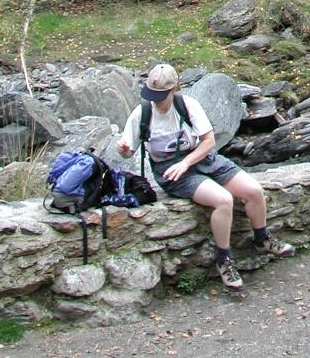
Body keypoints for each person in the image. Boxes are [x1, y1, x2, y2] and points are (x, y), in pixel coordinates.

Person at [117, 63, 294, 291]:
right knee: (223, 200)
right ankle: (224, 259)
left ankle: (262, 239)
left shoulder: (188, 105)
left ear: (174, 90)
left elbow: (208, 141)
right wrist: (123, 150)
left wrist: (186, 162)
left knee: (253, 191)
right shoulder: (142, 114)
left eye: (161, 95)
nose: (157, 100)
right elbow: (128, 150)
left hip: (202, 158)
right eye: (153, 95)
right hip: (171, 172)